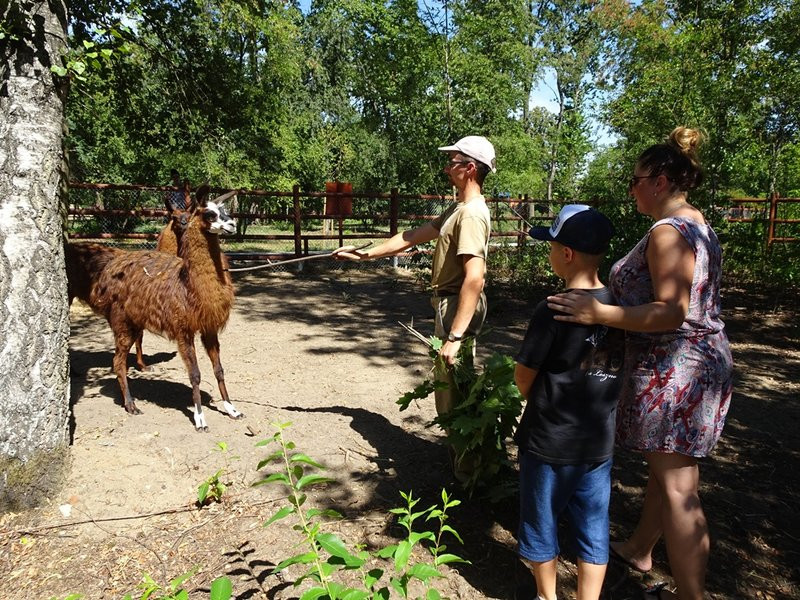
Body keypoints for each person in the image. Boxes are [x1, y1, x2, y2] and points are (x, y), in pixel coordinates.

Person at [546, 127, 733, 600]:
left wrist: (599, 313)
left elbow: (672, 311)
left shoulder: (669, 233)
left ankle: (692, 595)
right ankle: (640, 549)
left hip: (676, 371)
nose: (631, 189)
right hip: (694, 365)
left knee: (679, 489)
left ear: (661, 181)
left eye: (636, 181)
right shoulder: (696, 223)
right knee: (666, 473)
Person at [334, 135, 496, 480]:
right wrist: (365, 254)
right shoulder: (458, 209)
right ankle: (465, 467)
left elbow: (474, 278)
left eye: (452, 162)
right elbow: (411, 237)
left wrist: (455, 336)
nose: (446, 168)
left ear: (470, 168)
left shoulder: (471, 214)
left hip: (457, 305)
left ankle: (470, 477)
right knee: (450, 388)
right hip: (449, 303)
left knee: (455, 392)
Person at [514, 205, 623, 600]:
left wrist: (540, 402)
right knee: (593, 525)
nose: (550, 253)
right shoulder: (619, 309)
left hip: (549, 441)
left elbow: (524, 375)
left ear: (567, 253)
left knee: (540, 521)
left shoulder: (553, 309)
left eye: (551, 246)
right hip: (597, 442)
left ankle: (547, 596)